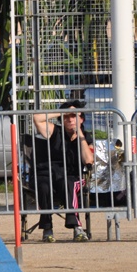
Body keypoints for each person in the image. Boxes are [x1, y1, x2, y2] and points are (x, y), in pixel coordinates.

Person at [32, 99, 95, 243]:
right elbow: (37, 118)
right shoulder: (56, 131)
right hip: (51, 173)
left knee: (68, 183)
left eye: (73, 116)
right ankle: (47, 229)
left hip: (75, 175)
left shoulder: (85, 136)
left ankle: (77, 227)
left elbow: (88, 160)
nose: (69, 119)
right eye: (66, 116)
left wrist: (79, 133)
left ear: (81, 118)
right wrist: (63, 111)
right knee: (43, 185)